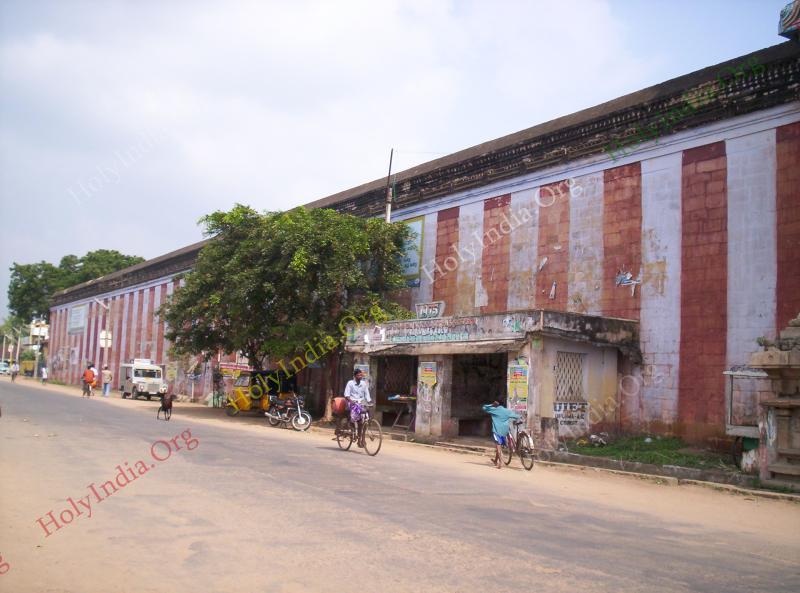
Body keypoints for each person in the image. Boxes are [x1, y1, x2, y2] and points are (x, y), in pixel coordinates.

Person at [482, 400, 520, 469]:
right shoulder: (507, 411)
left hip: (497, 431)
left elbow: (484, 408)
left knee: (498, 446)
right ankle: (495, 460)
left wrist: (491, 405)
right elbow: (516, 416)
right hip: (505, 431)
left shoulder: (494, 410)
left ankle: (500, 462)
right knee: (499, 445)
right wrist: (518, 418)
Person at [343, 369, 372, 447]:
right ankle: (355, 432)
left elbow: (367, 394)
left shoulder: (364, 384)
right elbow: (346, 395)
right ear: (355, 376)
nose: (360, 376)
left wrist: (369, 402)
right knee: (358, 419)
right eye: (358, 375)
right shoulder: (350, 383)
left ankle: (362, 437)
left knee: (366, 416)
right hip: (352, 402)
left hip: (361, 403)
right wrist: (351, 401)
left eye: (361, 375)